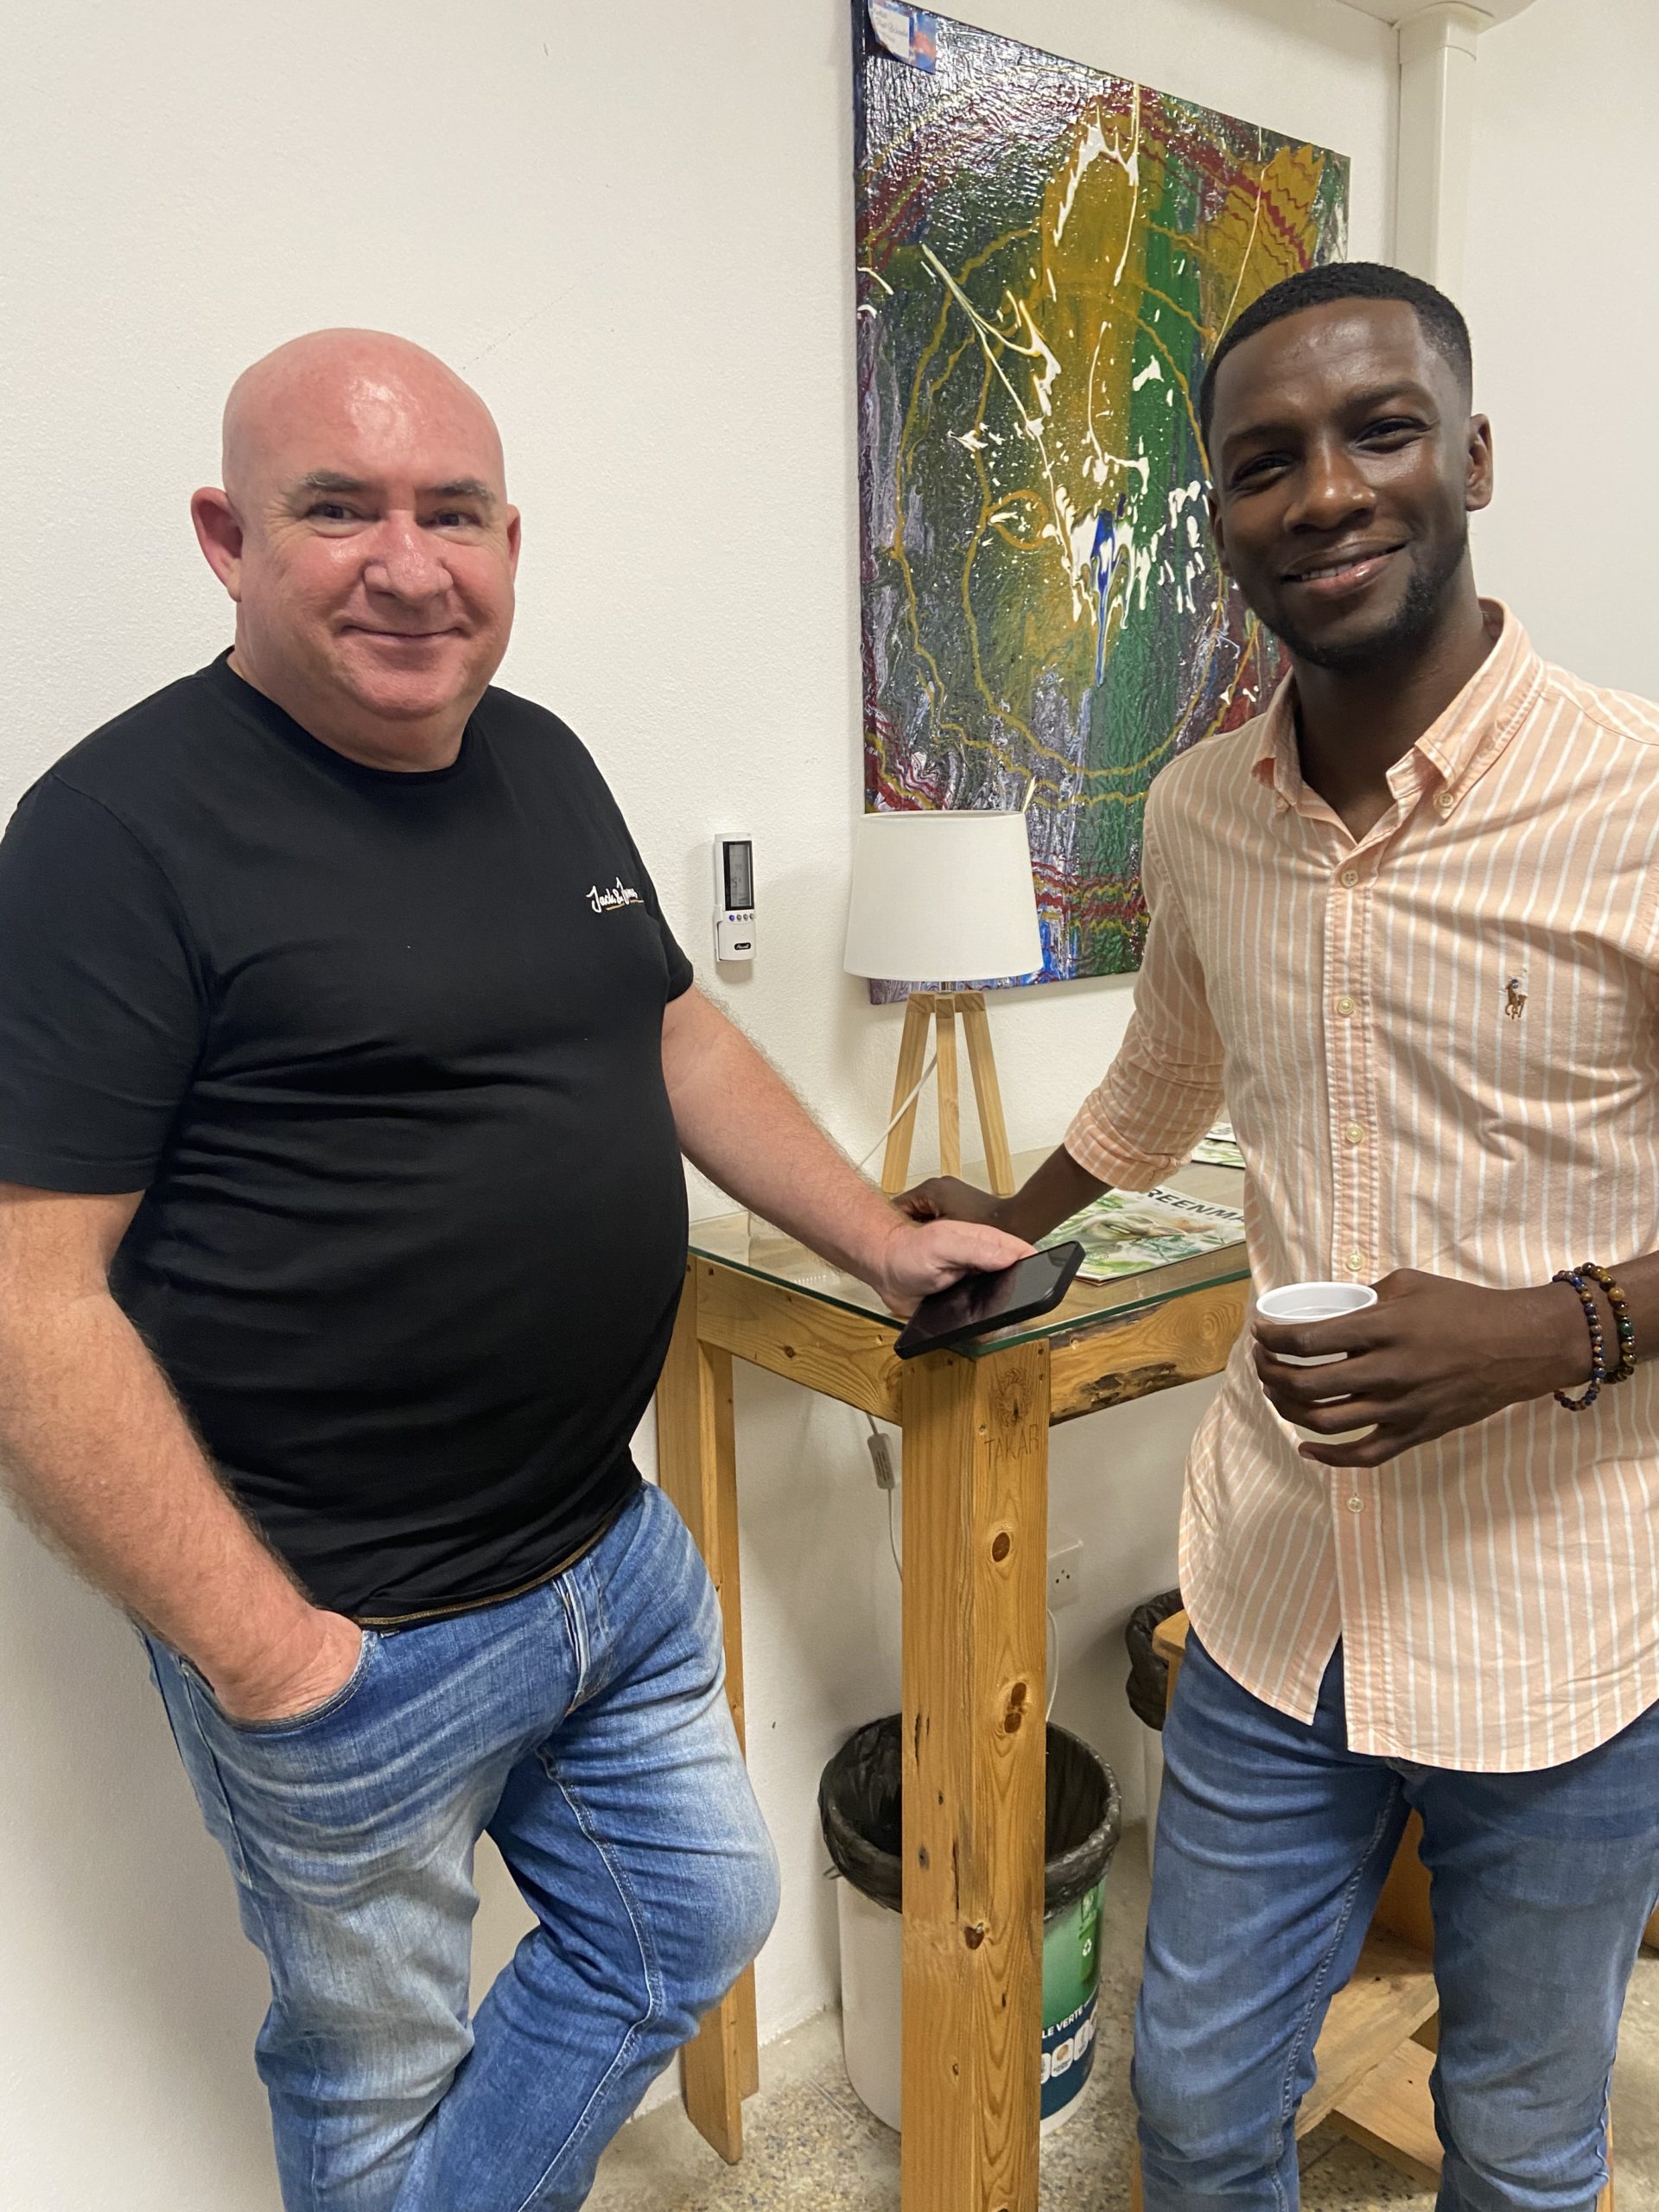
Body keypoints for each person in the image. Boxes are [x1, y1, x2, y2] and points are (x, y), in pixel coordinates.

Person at [0, 328, 1029, 2212]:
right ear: (228, 538)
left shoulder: (541, 758)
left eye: (453, 512)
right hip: (348, 1626)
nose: (410, 565)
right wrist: (271, 1654)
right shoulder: (111, 836)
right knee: (374, 2087)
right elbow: (25, 1304)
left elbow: (669, 1033)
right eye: (340, 509)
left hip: (605, 1554)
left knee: (691, 1914)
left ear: (510, 539)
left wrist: (880, 1239)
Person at [905, 263, 1659, 2212]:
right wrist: (1008, 1218)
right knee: (1196, 2099)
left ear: (1470, 457)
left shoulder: (1639, 796)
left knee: (1523, 2140)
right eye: (1263, 461)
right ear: (1224, 516)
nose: (1323, 491)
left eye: (1378, 432)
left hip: (1565, 1616)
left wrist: (1553, 1328)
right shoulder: (1195, 813)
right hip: (1275, 1591)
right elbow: (1166, 1075)